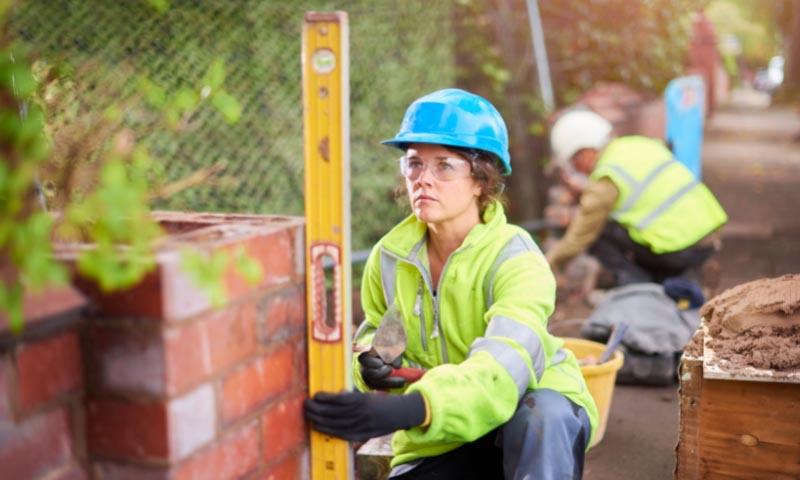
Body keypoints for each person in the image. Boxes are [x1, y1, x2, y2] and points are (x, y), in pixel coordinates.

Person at [304, 88, 598, 479]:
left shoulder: (517, 258)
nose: (423, 179)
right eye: (413, 164)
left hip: (521, 416)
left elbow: (505, 366)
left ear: (481, 179)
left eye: (444, 166)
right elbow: (377, 329)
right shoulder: (389, 257)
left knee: (543, 413)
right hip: (443, 431)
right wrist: (370, 363)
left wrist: (413, 407)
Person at [545, 109, 728, 287]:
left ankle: (639, 287)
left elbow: (579, 238)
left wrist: (547, 264)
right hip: (707, 235)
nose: (576, 169)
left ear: (584, 153)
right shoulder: (636, 144)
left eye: (573, 163)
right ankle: (673, 275)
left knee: (600, 231)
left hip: (679, 247)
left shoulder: (606, 181)